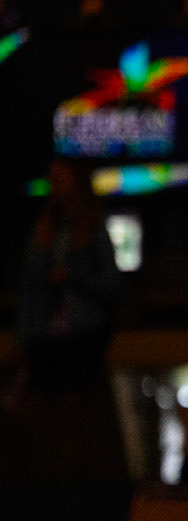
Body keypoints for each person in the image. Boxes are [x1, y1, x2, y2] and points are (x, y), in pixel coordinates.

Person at [17, 157, 120, 392]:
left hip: (84, 339)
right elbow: (30, 288)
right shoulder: (43, 231)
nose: (55, 186)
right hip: (44, 338)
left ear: (77, 182)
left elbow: (112, 285)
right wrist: (24, 337)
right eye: (52, 180)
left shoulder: (94, 230)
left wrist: (72, 277)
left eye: (60, 179)